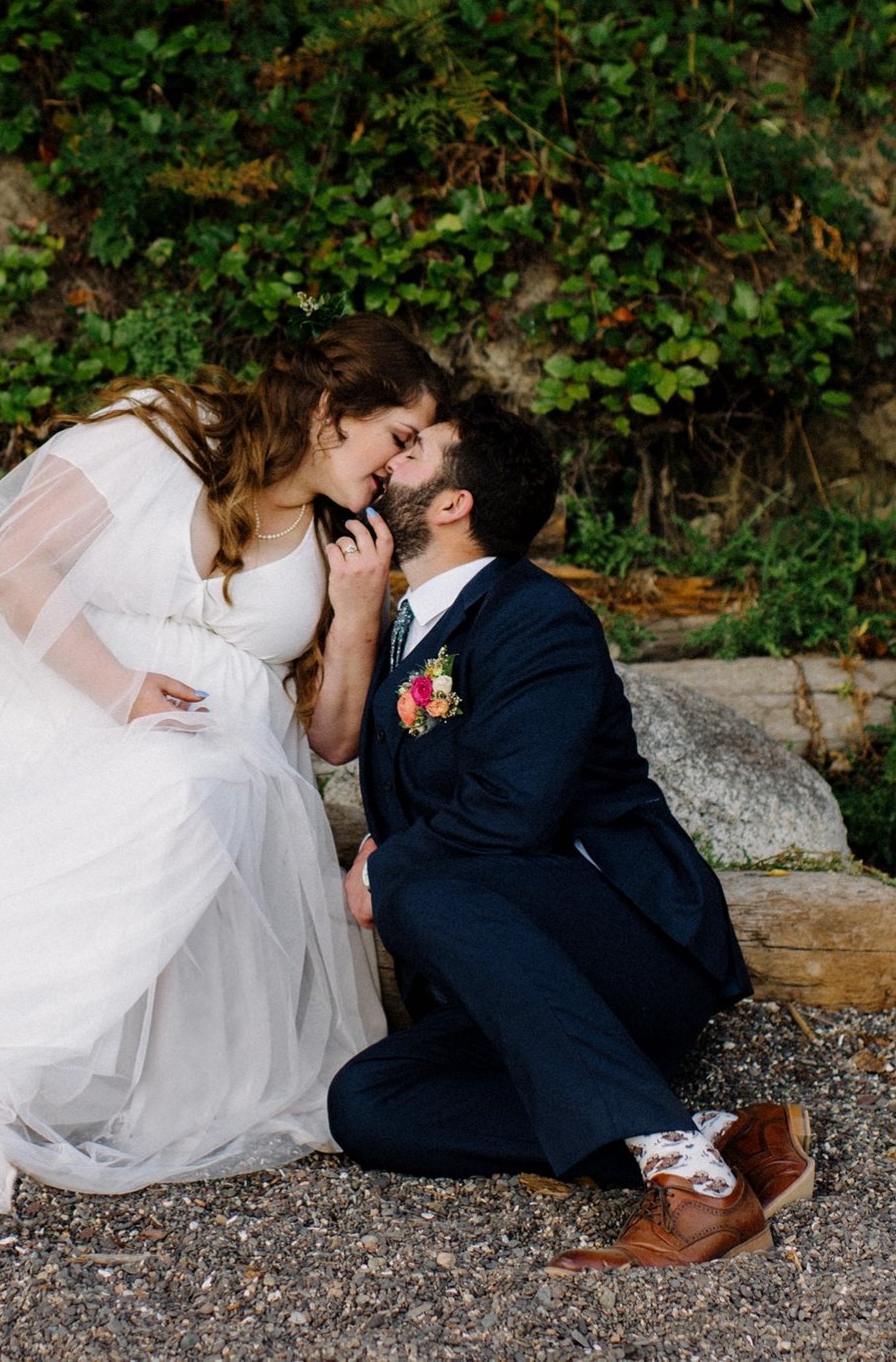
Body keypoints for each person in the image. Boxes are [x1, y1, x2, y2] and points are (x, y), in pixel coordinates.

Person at [0, 317, 443, 1236]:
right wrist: (117, 691)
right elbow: (9, 559)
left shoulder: (340, 542)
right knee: (161, 783)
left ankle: (78, 1075)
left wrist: (356, 614)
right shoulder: (165, 433)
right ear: (330, 410)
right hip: (64, 715)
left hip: (223, 773)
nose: (402, 465)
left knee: (186, 788)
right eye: (398, 435)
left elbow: (333, 738)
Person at [324, 395, 815, 1272]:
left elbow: (515, 808)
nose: (393, 455)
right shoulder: (415, 622)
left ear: (451, 502)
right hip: (512, 979)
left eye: (415, 448)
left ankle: (695, 1189)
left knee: (419, 884)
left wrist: (387, 864)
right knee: (369, 1102)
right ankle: (716, 1135)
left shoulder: (535, 617)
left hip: (628, 953)